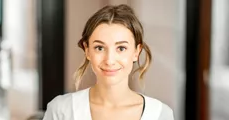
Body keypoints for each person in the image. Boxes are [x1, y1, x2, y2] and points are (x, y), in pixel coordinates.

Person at [42, 4, 174, 120]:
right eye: (99, 48)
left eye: (121, 48)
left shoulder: (159, 114)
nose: (109, 60)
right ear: (87, 50)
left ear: (136, 52)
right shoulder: (61, 110)